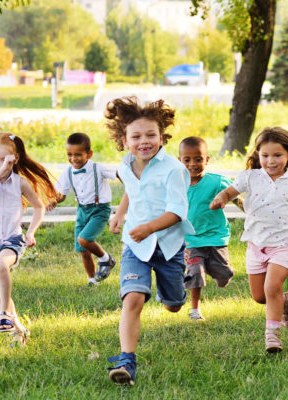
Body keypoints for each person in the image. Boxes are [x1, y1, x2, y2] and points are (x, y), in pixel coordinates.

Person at [104, 97, 193, 386]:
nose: (144, 141)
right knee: (132, 299)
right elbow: (133, 189)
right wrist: (120, 213)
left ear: (162, 137)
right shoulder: (126, 165)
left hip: (168, 246)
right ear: (124, 139)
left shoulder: (174, 169)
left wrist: (148, 228)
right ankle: (126, 360)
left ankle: (172, 293)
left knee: (174, 304)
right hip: (136, 245)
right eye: (136, 136)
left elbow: (177, 212)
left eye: (151, 135)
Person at [210, 127, 288, 353]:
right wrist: (221, 198)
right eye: (265, 155)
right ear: (258, 155)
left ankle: (272, 336)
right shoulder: (250, 177)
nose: (271, 161)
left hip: (284, 245)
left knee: (271, 286)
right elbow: (230, 192)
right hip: (256, 245)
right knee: (260, 296)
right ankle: (285, 299)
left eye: (277, 155)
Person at [0, 133, 58, 344]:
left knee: (0, 266)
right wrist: (0, 170)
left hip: (11, 239)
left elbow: (39, 206)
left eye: (3, 159)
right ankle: (19, 330)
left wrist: (30, 232)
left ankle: (4, 314)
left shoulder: (19, 183)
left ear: (15, 158)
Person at [178, 136, 236, 320]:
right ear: (180, 161)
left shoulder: (217, 181)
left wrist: (248, 210)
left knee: (223, 276)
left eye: (198, 159)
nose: (192, 164)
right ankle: (195, 310)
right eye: (187, 160)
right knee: (195, 272)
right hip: (192, 239)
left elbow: (235, 195)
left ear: (207, 160)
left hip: (215, 237)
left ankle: (214, 269)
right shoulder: (176, 185)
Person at [51, 132, 117, 287]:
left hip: (99, 210)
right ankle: (93, 280)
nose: (73, 159)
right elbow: (62, 194)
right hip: (82, 211)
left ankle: (106, 259)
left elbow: (116, 173)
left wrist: (127, 177)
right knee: (83, 249)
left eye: (78, 154)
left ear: (89, 153)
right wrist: (53, 201)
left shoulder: (98, 168)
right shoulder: (68, 172)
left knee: (84, 239)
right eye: (69, 154)